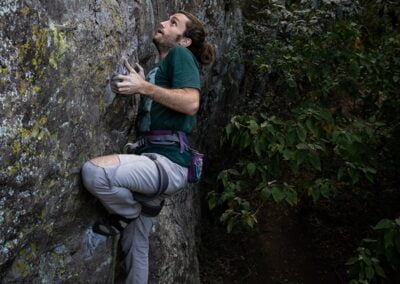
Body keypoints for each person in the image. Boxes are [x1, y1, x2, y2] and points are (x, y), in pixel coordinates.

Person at [81, 11, 215, 284]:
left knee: (94, 173)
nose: (164, 23)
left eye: (173, 23)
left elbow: (191, 103)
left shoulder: (181, 55)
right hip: (155, 164)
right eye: (167, 19)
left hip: (166, 164)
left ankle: (126, 211)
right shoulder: (159, 68)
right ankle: (131, 218)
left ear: (184, 41)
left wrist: (144, 87)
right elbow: (159, 103)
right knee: (136, 245)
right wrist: (147, 81)